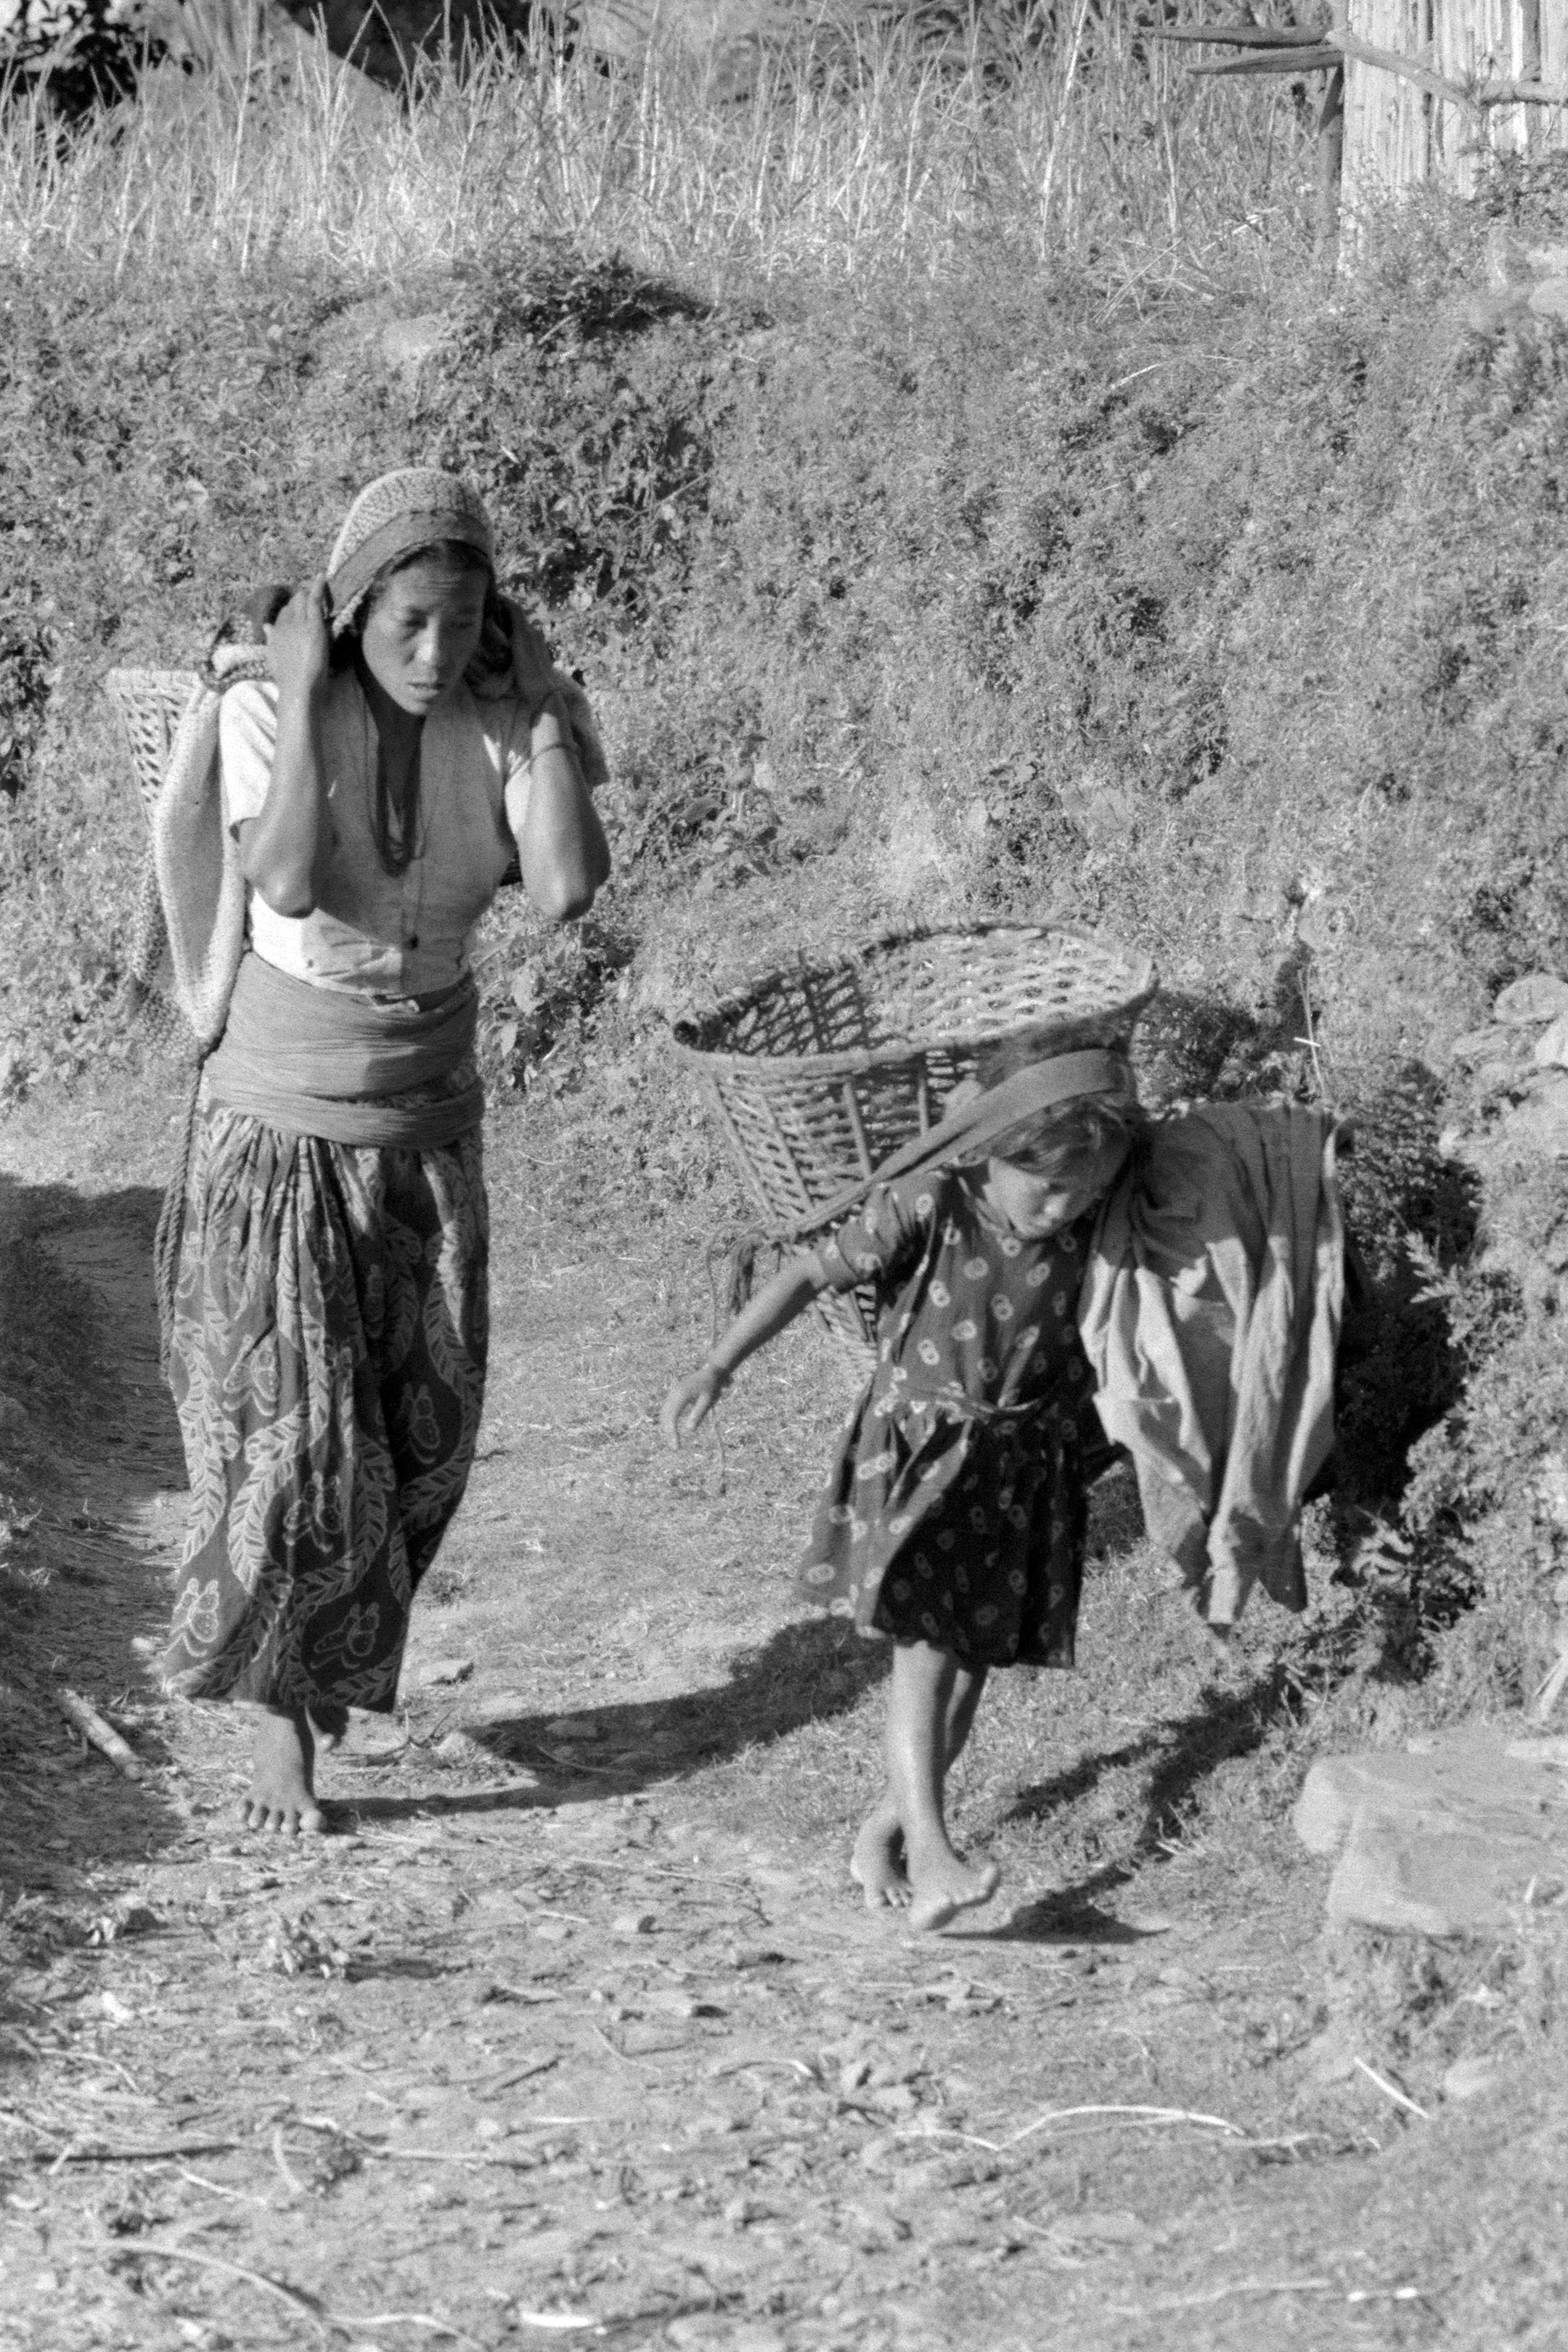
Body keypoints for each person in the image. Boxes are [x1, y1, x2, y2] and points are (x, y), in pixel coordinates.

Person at [159, 468, 610, 1836]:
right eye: (407, 621)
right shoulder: (261, 712)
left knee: (420, 1450)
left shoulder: (505, 722)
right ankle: (279, 1737)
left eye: (461, 625)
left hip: (424, 1127)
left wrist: (531, 708)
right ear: (352, 615)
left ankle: (324, 1660)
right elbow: (286, 882)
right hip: (280, 1131)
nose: (432, 654)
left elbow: (571, 886)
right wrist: (300, 695)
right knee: (292, 1449)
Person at [661, 1050, 1138, 1931]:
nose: (1066, 1208)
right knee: (924, 1655)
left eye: (1087, 1190)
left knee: (967, 1674)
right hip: (923, 1458)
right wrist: (718, 1365)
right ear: (992, 1149)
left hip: (1023, 1464)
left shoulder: (1095, 1221)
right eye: (1049, 1189)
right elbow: (809, 1273)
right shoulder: (932, 1203)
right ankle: (932, 1850)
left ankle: (882, 1833)